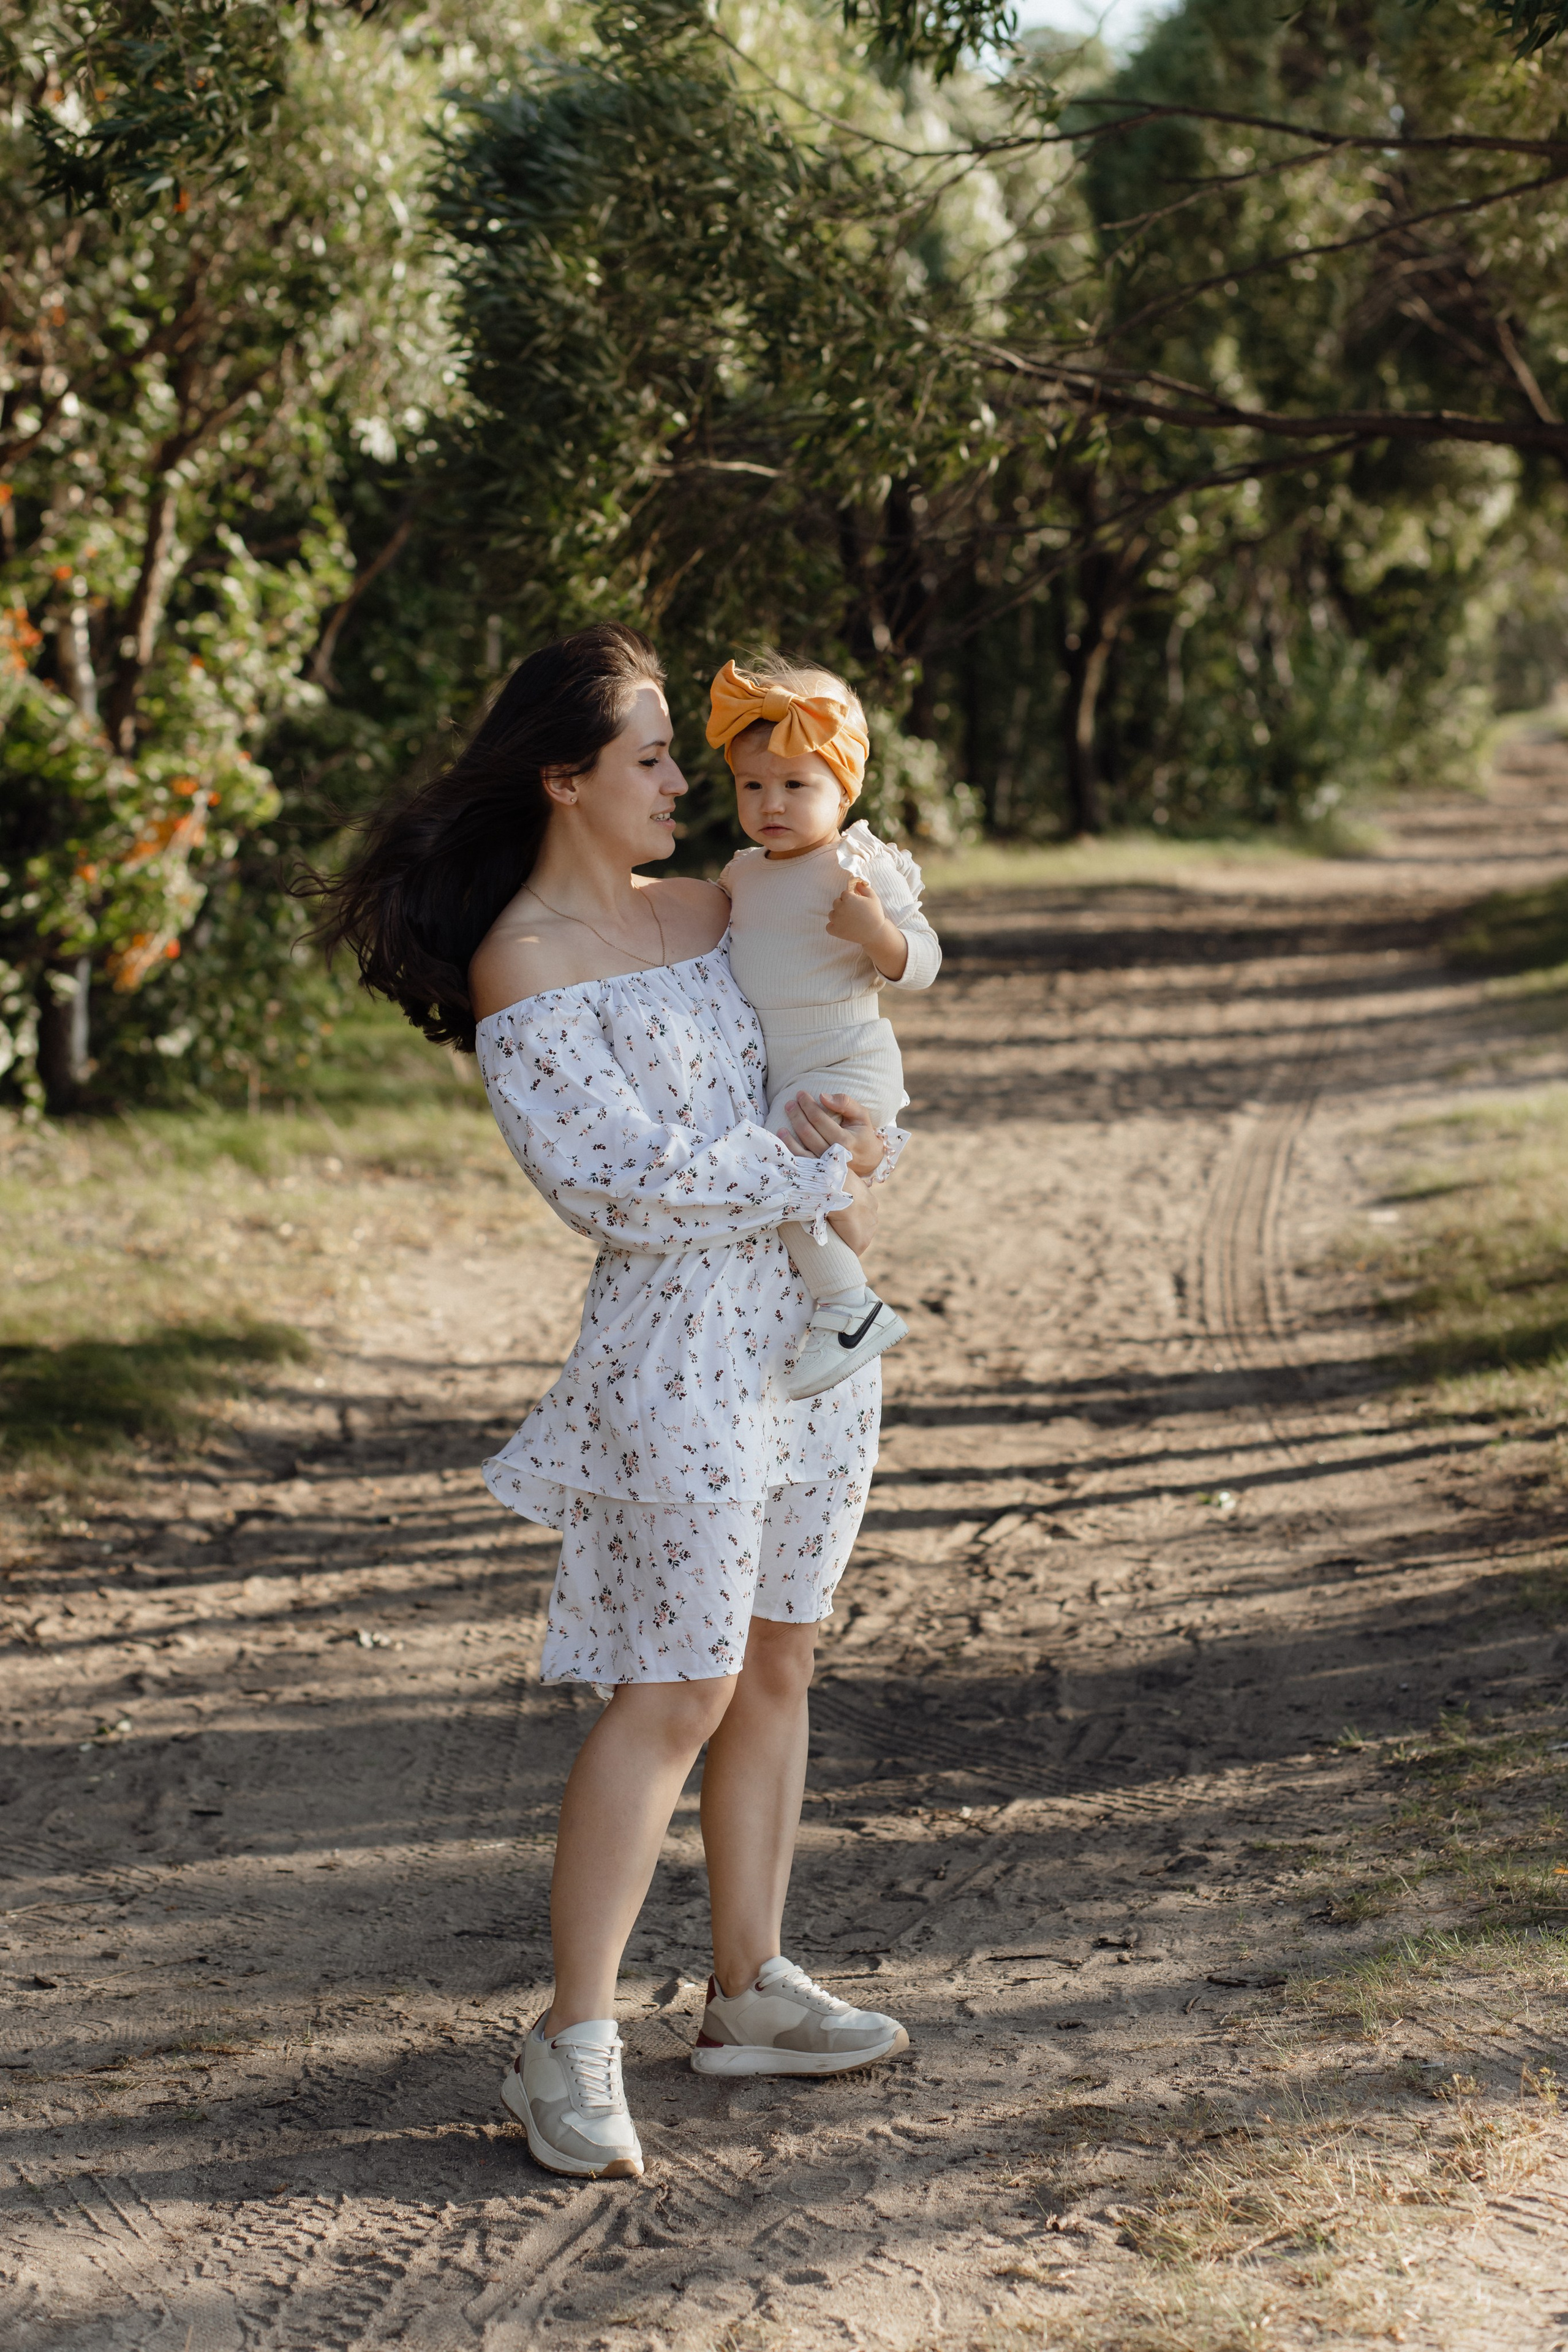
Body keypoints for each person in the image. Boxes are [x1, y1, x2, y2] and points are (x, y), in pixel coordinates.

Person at [311, 622, 909, 2185]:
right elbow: (620, 1189)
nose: (683, 782)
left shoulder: (715, 907)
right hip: (676, 1362)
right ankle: (569, 2040)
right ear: (564, 778)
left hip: (808, 1339)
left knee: (775, 1659)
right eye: (651, 755)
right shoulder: (524, 960)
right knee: (676, 1686)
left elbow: (834, 1035)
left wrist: (850, 1124)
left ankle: (747, 1989)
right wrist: (801, 1163)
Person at [709, 654, 942, 1399]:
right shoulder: (742, 873)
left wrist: (875, 933)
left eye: (795, 785)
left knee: (782, 1161)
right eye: (752, 786)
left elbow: (925, 963)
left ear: (844, 789)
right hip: (782, 1068)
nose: (770, 803)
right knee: (780, 1171)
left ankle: (850, 1307)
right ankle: (824, 1293)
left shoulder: (857, 863)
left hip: (844, 1058)